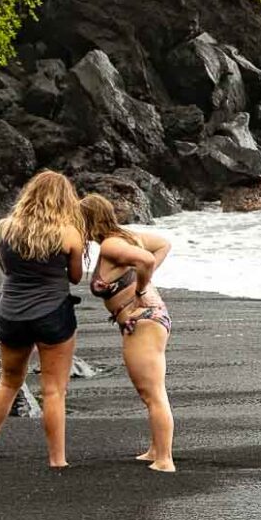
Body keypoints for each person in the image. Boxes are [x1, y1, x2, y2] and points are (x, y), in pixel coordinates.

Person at [0, 170, 86, 468]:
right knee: (53, 389)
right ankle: (57, 459)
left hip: (11, 312)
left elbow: (6, 270)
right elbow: (76, 278)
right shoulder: (68, 234)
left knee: (9, 381)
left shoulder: (2, 229)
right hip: (53, 313)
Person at [80, 193, 176, 473]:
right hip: (151, 319)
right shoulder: (126, 236)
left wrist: (142, 289)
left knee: (153, 393)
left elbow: (146, 260)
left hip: (144, 321)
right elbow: (163, 245)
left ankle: (164, 460)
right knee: (150, 392)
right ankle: (155, 450)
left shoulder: (111, 244)